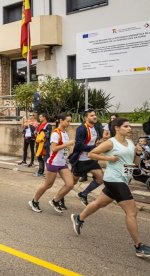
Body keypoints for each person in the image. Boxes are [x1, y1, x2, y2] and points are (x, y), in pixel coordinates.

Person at [71, 118, 150, 257]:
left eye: (130, 126)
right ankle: (139, 247)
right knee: (132, 211)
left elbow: (135, 163)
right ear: (117, 128)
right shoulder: (110, 143)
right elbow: (91, 154)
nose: (129, 128)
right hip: (114, 179)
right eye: (126, 126)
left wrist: (137, 153)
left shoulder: (130, 143)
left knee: (99, 203)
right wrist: (109, 159)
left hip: (124, 179)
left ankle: (79, 218)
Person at [29, 113, 75, 213]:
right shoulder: (55, 133)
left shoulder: (65, 133)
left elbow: (64, 147)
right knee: (48, 185)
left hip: (62, 163)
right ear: (61, 120)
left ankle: (55, 200)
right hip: (53, 163)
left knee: (70, 184)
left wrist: (69, 150)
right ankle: (34, 201)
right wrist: (67, 144)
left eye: (70, 121)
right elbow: (53, 148)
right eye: (67, 121)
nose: (69, 123)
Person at [68, 109, 104, 206]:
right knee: (72, 183)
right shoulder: (82, 128)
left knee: (101, 179)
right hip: (81, 160)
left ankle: (83, 194)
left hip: (91, 160)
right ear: (86, 118)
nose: (95, 116)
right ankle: (60, 197)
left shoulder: (95, 127)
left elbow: (94, 140)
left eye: (95, 115)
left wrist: (98, 144)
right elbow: (79, 145)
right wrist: (94, 148)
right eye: (92, 115)